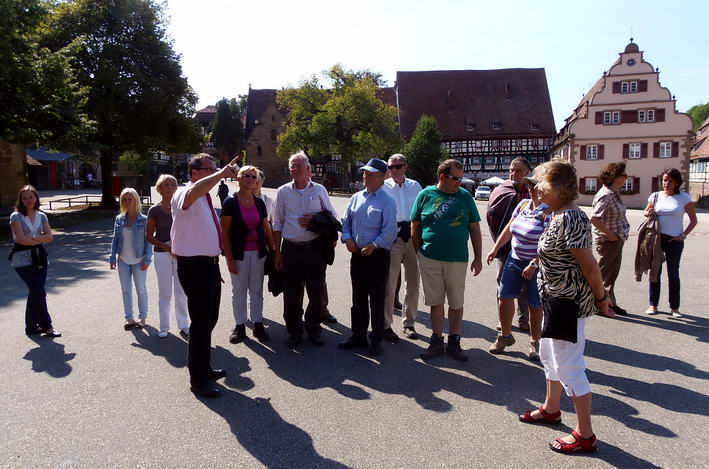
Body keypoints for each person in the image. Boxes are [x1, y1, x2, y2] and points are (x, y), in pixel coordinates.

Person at [518, 161, 609, 454]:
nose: (534, 188)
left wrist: (601, 296)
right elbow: (551, 251)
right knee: (548, 355)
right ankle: (551, 408)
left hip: (567, 302)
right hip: (554, 298)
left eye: (540, 183)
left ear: (556, 187)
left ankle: (585, 434)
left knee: (569, 365)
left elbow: (589, 265)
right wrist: (535, 264)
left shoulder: (571, 217)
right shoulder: (556, 214)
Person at [172, 153, 239, 398]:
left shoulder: (205, 196)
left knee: (209, 320)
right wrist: (220, 174)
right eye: (209, 169)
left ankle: (204, 368)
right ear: (194, 173)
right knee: (200, 323)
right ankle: (197, 380)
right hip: (194, 266)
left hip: (208, 266)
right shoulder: (185, 192)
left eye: (215, 168)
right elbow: (189, 197)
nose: (214, 172)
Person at [411, 159, 483, 361]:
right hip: (429, 257)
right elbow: (415, 226)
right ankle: (436, 340)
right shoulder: (425, 195)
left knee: (456, 302)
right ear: (442, 177)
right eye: (455, 178)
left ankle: (454, 341)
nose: (459, 182)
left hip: (457, 258)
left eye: (461, 178)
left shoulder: (465, 196)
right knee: (435, 301)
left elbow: (475, 228)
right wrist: (419, 252)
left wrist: (477, 258)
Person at [273, 151, 337, 347]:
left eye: (298, 165)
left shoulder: (319, 190)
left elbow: (332, 218)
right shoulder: (283, 191)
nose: (294, 168)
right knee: (291, 293)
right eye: (292, 165)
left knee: (315, 292)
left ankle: (314, 329)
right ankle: (294, 331)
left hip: (314, 248)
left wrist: (315, 220)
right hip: (291, 249)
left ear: (308, 169)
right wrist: (277, 252)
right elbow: (277, 223)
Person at [338, 159, 397, 356]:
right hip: (357, 255)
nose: (365, 176)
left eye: (370, 174)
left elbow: (389, 231)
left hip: (377, 256)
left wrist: (374, 245)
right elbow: (345, 222)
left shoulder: (387, 201)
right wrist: (347, 239)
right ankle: (358, 335)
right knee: (358, 298)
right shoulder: (356, 198)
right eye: (364, 173)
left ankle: (376, 339)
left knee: (377, 300)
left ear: (381, 177)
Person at [486, 174, 548, 359]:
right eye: (528, 186)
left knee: (535, 305)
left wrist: (534, 263)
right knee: (504, 297)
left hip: (536, 264)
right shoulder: (523, 205)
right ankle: (505, 336)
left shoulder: (549, 211)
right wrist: (496, 248)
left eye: (534, 186)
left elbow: (549, 242)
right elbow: (509, 227)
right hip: (514, 258)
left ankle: (535, 342)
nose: (530, 189)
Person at [221, 165, 275, 344]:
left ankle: (257, 323)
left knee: (257, 289)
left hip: (258, 252)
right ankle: (240, 325)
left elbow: (266, 227)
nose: (251, 179)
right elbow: (225, 234)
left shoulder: (259, 202)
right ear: (238, 178)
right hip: (238, 253)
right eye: (247, 176)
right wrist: (229, 259)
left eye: (254, 176)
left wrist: (274, 250)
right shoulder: (230, 202)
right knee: (239, 290)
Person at [642, 168, 698, 318]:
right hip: (657, 240)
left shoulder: (684, 198)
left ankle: (674, 308)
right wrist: (648, 212)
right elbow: (645, 211)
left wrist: (683, 235)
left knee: (673, 274)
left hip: (675, 241)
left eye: (670, 181)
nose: (666, 183)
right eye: (665, 180)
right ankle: (653, 304)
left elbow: (694, 220)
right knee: (655, 272)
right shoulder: (655, 196)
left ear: (677, 182)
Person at [8, 186, 61, 337]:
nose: (28, 200)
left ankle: (31, 327)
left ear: (36, 198)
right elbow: (20, 240)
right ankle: (47, 326)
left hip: (40, 258)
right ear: (21, 200)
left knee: (35, 292)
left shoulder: (42, 216)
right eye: (24, 198)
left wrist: (32, 238)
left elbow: (50, 237)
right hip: (22, 260)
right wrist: (39, 238)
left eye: (30, 197)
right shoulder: (16, 216)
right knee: (39, 291)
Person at [487, 158, 532, 331]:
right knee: (503, 284)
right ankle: (503, 319)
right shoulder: (502, 188)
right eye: (511, 170)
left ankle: (523, 319)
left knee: (526, 286)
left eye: (518, 170)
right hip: (506, 247)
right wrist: (496, 246)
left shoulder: (533, 190)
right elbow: (491, 215)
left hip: (527, 248)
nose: (513, 173)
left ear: (528, 172)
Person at [381, 153, 422, 340]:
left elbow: (421, 213)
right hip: (393, 239)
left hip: (413, 239)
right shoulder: (383, 187)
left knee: (413, 285)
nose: (394, 170)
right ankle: (385, 324)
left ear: (406, 167)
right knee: (389, 284)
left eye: (398, 166)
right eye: (391, 167)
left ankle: (409, 323)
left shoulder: (415, 186)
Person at [146, 174, 190, 339]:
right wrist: (165, 246)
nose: (170, 187)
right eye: (166, 184)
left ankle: (184, 325)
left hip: (180, 254)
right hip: (162, 254)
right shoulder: (154, 210)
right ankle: (164, 327)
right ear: (160, 188)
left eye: (173, 184)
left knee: (181, 291)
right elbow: (148, 236)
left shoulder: (182, 207)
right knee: (165, 292)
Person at [591, 162, 630, 317]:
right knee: (604, 276)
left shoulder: (613, 193)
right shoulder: (606, 195)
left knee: (610, 276)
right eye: (623, 175)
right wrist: (611, 235)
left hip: (615, 240)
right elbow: (594, 218)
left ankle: (610, 302)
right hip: (608, 242)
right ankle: (600, 305)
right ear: (613, 176)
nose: (626, 177)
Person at [110, 188, 153, 330]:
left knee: (141, 289)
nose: (127, 202)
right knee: (125, 290)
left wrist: (147, 260)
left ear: (136, 200)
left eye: (130, 199)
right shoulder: (119, 219)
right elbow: (115, 239)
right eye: (124, 199)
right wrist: (112, 257)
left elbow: (148, 241)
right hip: (123, 259)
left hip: (139, 260)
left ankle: (142, 318)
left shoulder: (144, 220)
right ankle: (129, 318)